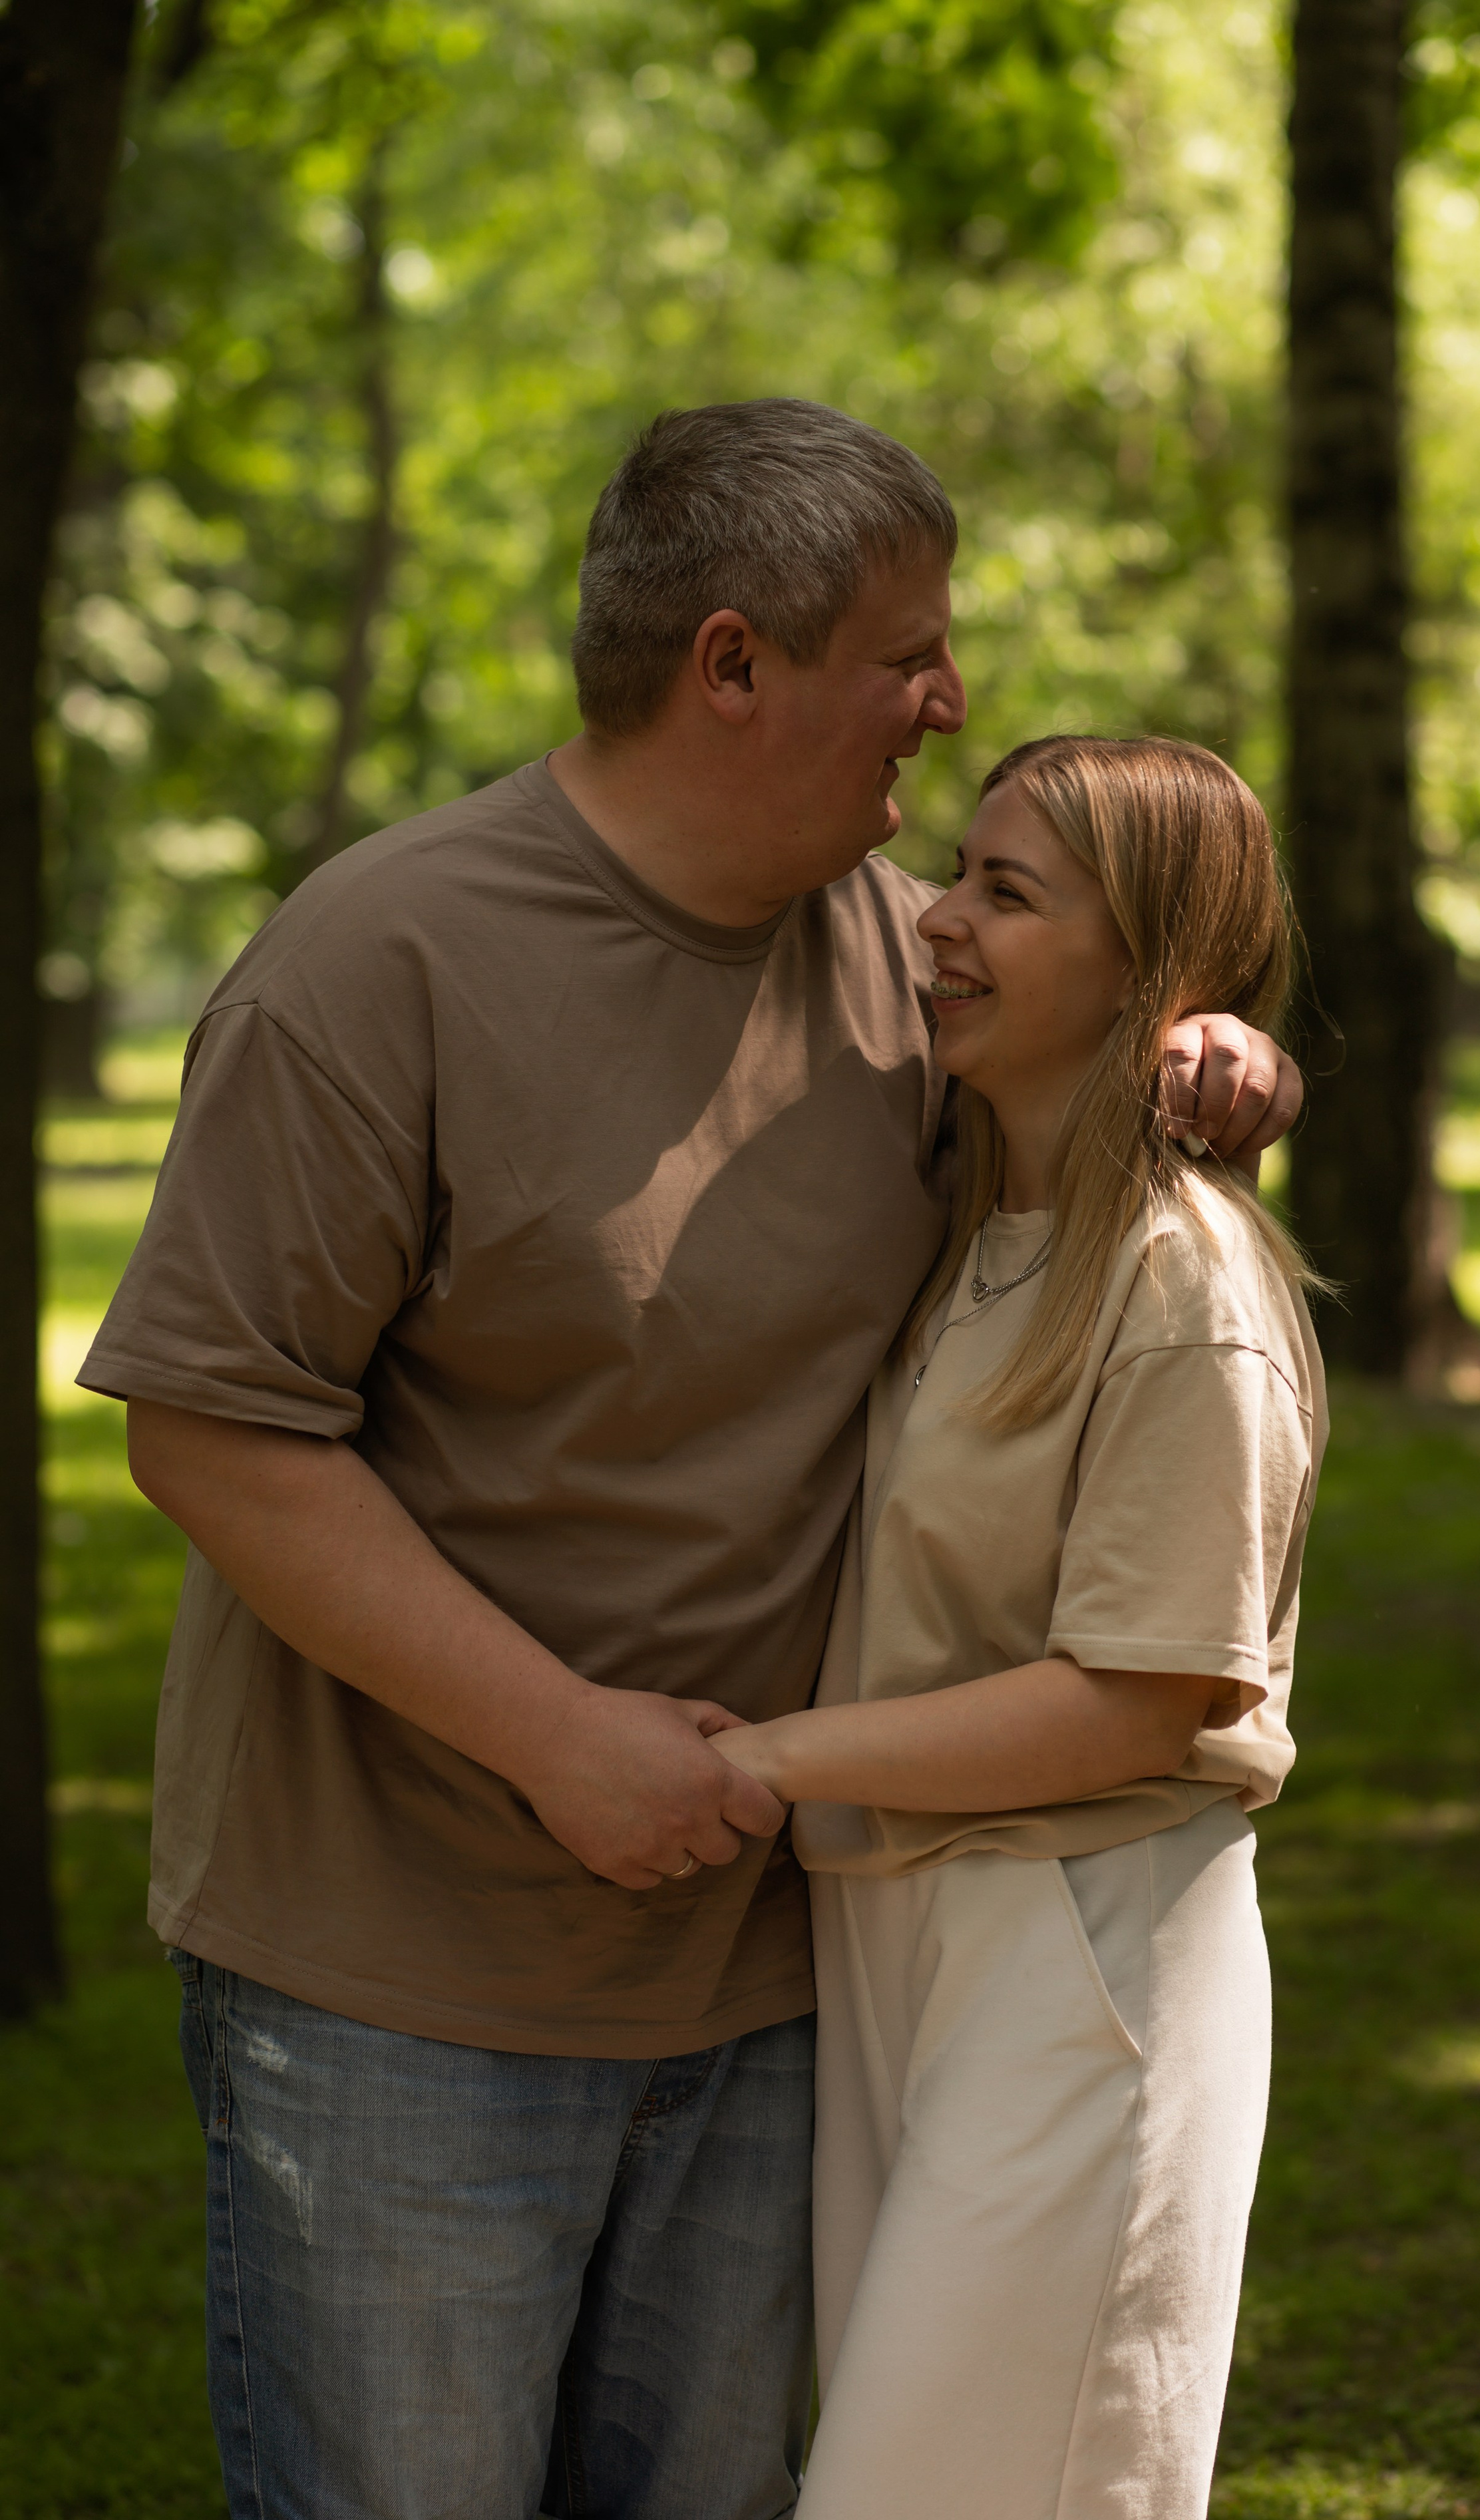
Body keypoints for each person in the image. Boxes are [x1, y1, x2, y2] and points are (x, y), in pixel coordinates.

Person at [79, 401, 1302, 2520]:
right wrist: (561, 1737)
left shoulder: (901, 960)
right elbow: (214, 1430)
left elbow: (1084, 1096)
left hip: (762, 1989)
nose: (952, 694)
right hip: (401, 1985)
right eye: (908, 650)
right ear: (732, 665)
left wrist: (1219, 1055)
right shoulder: (378, 966)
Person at [712, 733, 1326, 2520]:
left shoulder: (1181, 1277)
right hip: (905, 1940)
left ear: (1149, 966)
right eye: (954, 873)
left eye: (1006, 891)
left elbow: (1142, 1698)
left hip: (1083, 1952)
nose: (939, 925)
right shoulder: (982, 1226)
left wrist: (754, 1760)